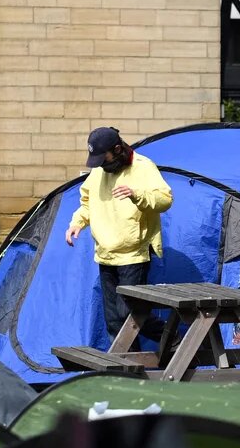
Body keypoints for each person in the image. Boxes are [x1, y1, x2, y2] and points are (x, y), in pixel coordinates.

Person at [66, 126, 173, 343]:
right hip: (105, 253)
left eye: (102, 158)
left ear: (117, 149)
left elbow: (165, 200)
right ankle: (126, 367)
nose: (100, 165)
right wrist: (77, 223)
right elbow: (87, 201)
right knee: (114, 320)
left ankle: (173, 340)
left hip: (133, 255)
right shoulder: (99, 171)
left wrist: (137, 194)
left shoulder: (143, 167)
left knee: (129, 315)